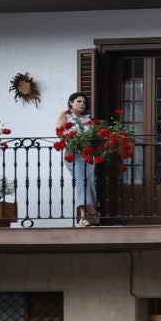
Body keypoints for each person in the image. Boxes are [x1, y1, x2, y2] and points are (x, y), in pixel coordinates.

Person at [56, 92, 99, 227]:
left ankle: (90, 216)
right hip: (73, 154)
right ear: (71, 102)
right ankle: (86, 216)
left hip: (88, 155)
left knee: (90, 183)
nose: (82, 104)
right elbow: (59, 131)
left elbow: (94, 137)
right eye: (79, 101)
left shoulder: (88, 119)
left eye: (84, 102)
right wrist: (70, 134)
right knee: (81, 182)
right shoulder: (66, 115)